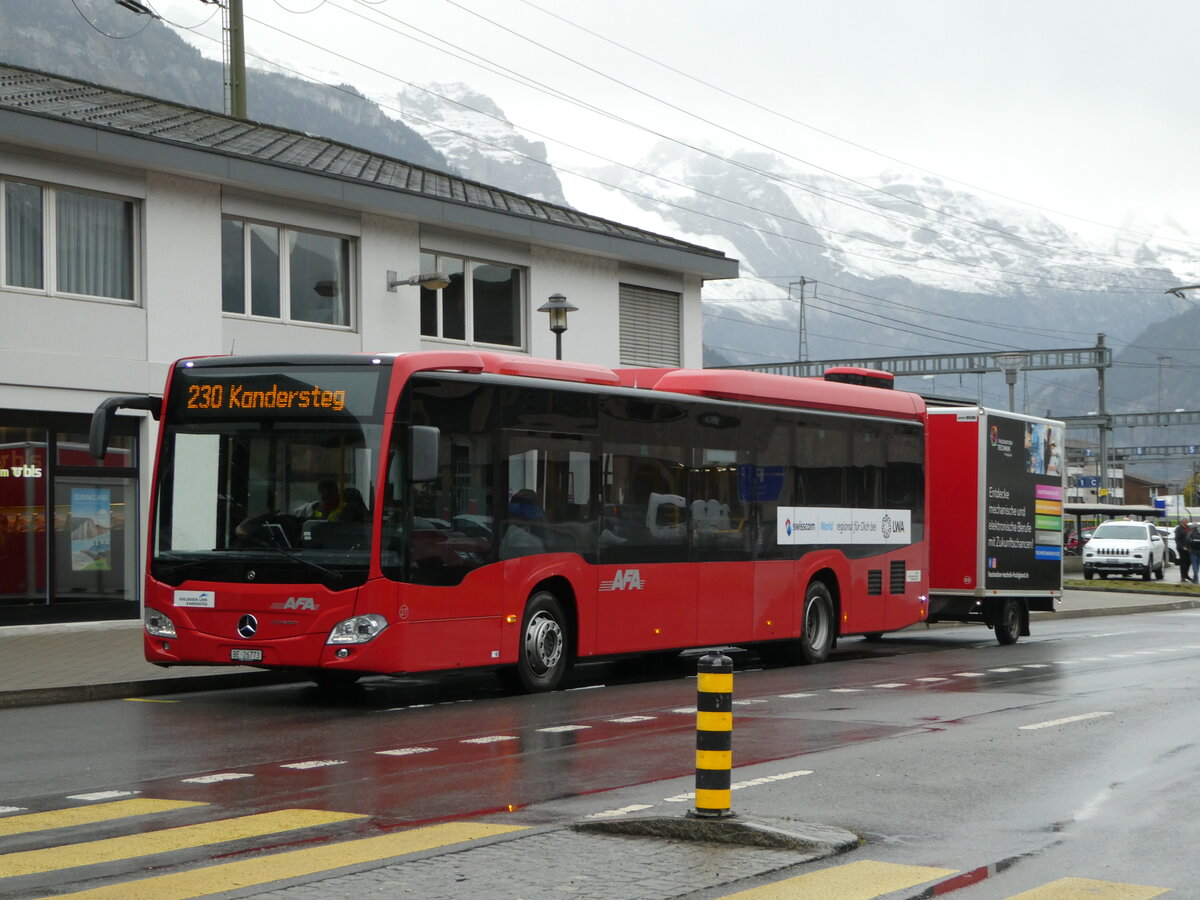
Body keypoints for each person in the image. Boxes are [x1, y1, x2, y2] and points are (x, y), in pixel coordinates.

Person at [1175, 517, 1192, 582]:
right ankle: (1183, 576)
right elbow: (1177, 539)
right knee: (1183, 562)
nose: (1188, 522)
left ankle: (1186, 575)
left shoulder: (1188, 528)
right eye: (1187, 521)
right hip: (1181, 548)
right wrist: (1182, 547)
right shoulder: (1179, 529)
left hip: (1188, 548)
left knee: (1189, 561)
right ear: (1183, 522)